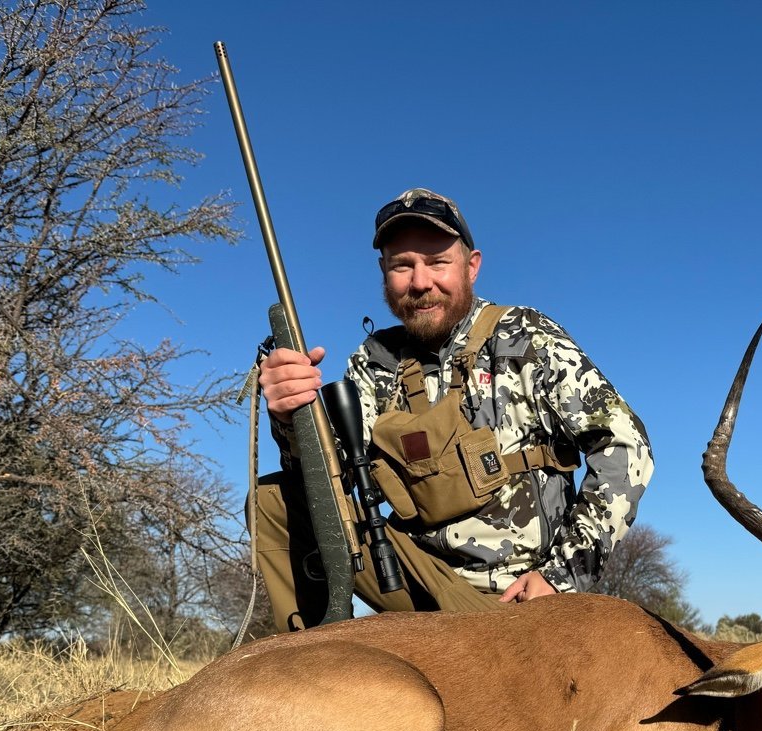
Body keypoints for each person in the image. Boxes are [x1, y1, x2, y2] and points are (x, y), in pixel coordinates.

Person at [255, 188, 653, 630]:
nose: (420, 282)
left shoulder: (526, 337)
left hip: (515, 600)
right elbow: (334, 479)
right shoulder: (374, 359)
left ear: (472, 266)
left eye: (438, 262)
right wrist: (291, 420)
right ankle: (314, 665)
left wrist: (561, 577)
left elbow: (626, 444)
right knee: (274, 501)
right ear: (384, 272)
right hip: (412, 579)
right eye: (402, 265)